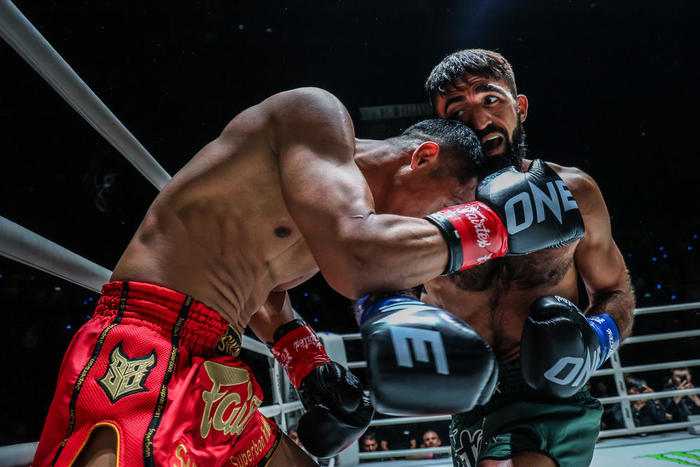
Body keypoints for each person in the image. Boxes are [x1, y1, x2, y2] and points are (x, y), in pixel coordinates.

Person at [34, 86, 559, 467]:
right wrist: (495, 227)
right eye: (443, 209)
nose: (429, 226)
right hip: (144, 345)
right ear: (423, 158)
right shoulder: (314, 114)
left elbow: (266, 289)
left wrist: (307, 362)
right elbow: (358, 260)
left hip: (217, 362)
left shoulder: (326, 212)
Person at [420, 49, 636, 466]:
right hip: (470, 397)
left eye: (490, 100)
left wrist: (593, 342)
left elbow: (616, 291)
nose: (479, 122)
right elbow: (382, 285)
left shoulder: (573, 191)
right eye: (457, 111)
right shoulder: (422, 210)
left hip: (552, 392)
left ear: (519, 107)